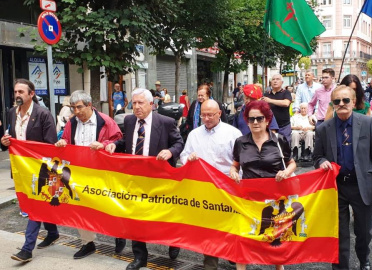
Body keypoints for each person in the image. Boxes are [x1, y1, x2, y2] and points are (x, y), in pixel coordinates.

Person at [312, 85, 372, 270]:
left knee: (364, 232)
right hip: (336, 188)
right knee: (339, 233)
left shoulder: (368, 122)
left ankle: (364, 260)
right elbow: (316, 157)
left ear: (353, 102)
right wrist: (322, 161)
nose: (341, 104)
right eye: (336, 101)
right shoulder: (324, 128)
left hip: (361, 186)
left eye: (345, 100)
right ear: (332, 103)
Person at [105, 88, 184, 270]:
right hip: (135, 178)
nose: (137, 107)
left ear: (151, 104)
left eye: (141, 103)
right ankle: (140, 257)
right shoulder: (130, 120)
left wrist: (170, 151)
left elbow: (179, 143)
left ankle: (173, 241)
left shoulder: (166, 122)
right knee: (136, 218)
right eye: (134, 103)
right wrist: (114, 145)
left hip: (159, 179)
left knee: (164, 215)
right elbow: (128, 142)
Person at [55, 90, 126, 259]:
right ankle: (87, 243)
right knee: (81, 208)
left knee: (108, 205)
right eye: (73, 108)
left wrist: (104, 144)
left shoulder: (105, 121)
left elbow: (119, 141)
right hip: (80, 173)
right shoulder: (72, 123)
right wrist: (63, 142)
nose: (76, 112)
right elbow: (66, 140)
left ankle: (119, 234)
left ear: (89, 105)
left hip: (102, 173)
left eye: (79, 107)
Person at [230, 100, 296, 270]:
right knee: (243, 239)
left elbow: (291, 163)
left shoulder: (279, 140)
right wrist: (233, 171)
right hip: (248, 199)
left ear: (267, 120)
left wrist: (286, 172)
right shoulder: (240, 142)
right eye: (251, 119)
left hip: (275, 199)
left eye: (259, 119)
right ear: (247, 121)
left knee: (275, 240)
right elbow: (235, 163)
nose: (255, 123)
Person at [1, 78, 59, 263]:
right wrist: (4, 142)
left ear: (31, 94)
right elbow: (8, 138)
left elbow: (50, 145)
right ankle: (53, 232)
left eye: (21, 92)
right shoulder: (11, 113)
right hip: (20, 170)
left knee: (35, 207)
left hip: (39, 170)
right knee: (37, 204)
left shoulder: (43, 114)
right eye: (15, 91)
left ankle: (27, 249)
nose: (17, 95)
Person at [180, 100, 242, 270]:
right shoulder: (194, 134)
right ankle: (210, 264)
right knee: (209, 229)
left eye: (210, 115)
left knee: (230, 227)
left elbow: (241, 161)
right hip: (204, 190)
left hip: (227, 188)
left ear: (219, 114)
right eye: (203, 115)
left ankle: (232, 255)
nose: (206, 119)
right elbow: (183, 156)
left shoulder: (233, 134)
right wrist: (188, 159)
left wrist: (235, 173)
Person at [261, 74, 293, 143]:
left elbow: (286, 103)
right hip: (270, 127)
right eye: (273, 79)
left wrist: (270, 101)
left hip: (284, 126)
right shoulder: (266, 94)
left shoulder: (286, 93)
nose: (275, 81)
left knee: (285, 147)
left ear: (282, 82)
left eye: (277, 79)